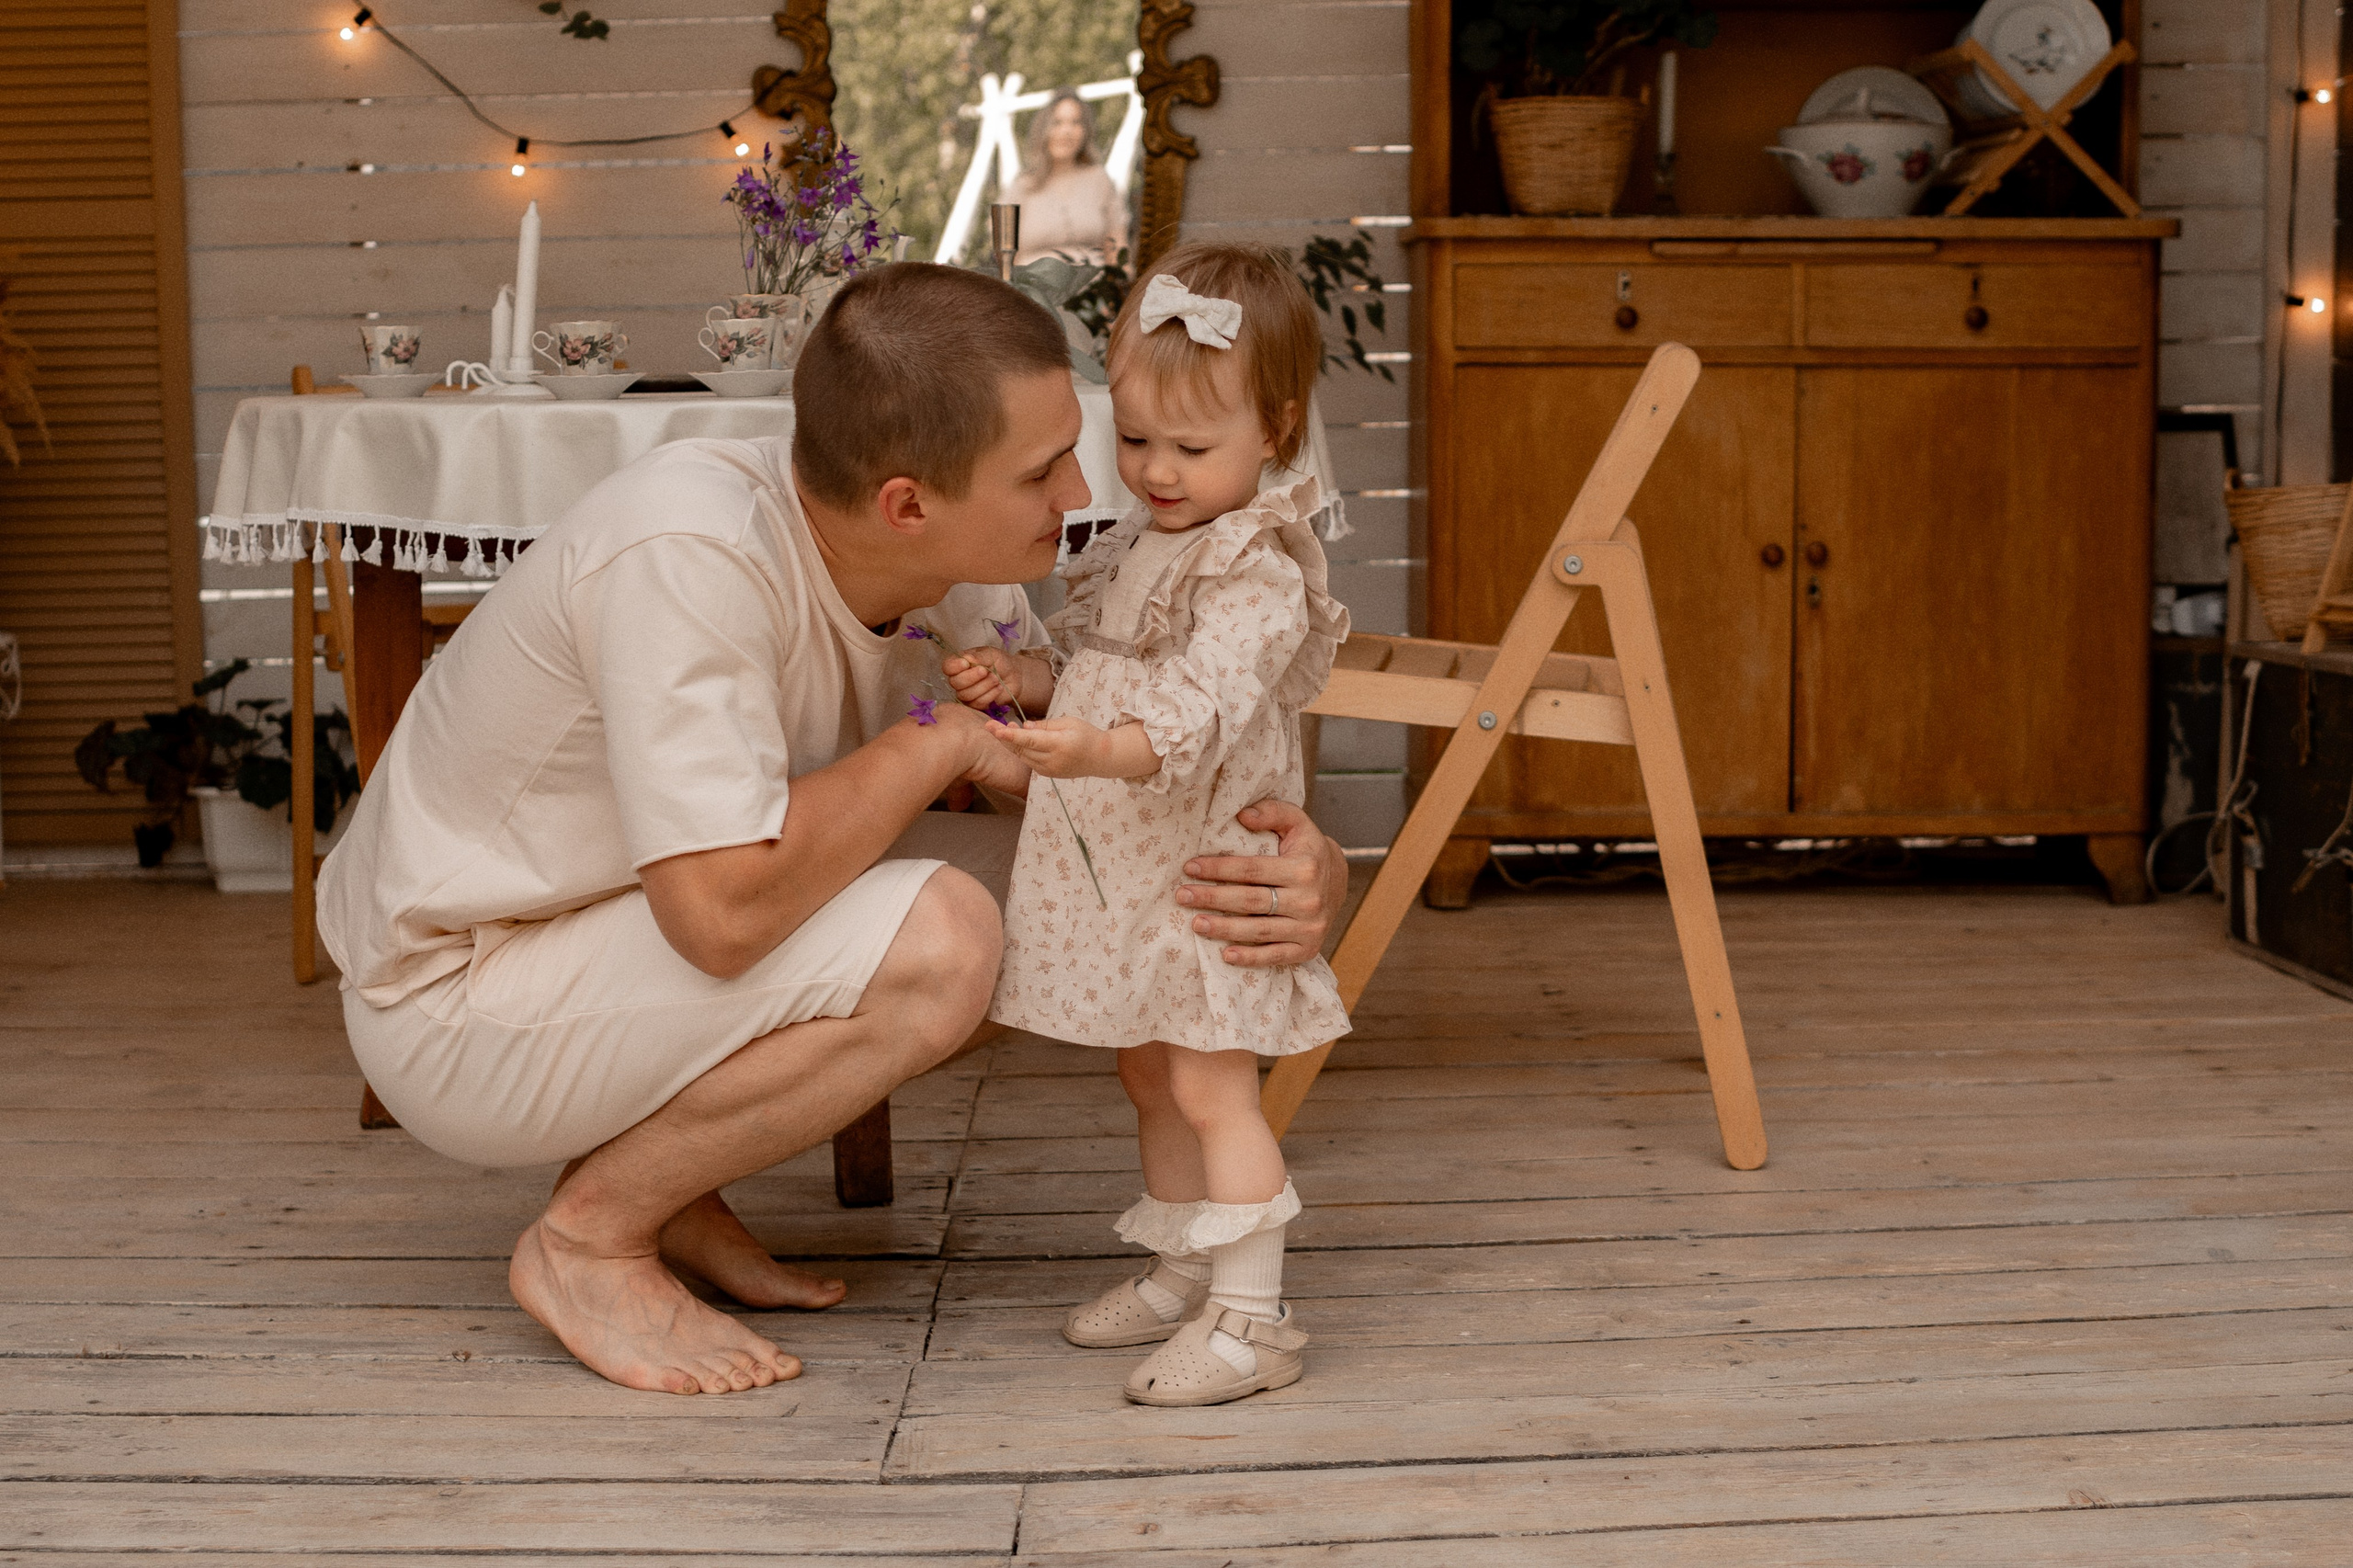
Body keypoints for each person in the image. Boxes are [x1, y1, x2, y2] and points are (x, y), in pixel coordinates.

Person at [313, 262, 1350, 1398]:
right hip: (459, 996)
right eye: (1043, 467)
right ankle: (588, 1239)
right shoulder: (688, 556)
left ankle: (674, 1184)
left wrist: (1292, 861)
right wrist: (936, 739)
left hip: (606, 933)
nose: (1082, 490)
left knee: (1082, 888)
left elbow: (1087, 805)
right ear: (907, 500)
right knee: (949, 934)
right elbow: (717, 918)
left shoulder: (951, 556)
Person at [941, 243, 1345, 1407]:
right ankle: (1182, 1261)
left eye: (1190, 446)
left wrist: (1091, 750)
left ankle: (1255, 1315)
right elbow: (1098, 661)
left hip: (1202, 863)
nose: (1156, 470)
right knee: (1149, 1073)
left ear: (1272, 428)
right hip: (1130, 868)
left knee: (1215, 1083)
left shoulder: (1254, 566)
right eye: (1134, 440)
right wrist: (1020, 676)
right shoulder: (1141, 543)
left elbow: (1192, 707)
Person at [1008, 90, 1129, 267]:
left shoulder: (1099, 180)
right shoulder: (1023, 186)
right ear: (1044, 130)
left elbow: (1118, 254)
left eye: (1075, 122)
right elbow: (1008, 259)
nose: (1066, 131)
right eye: (1057, 123)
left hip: (1092, 289)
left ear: (1085, 131)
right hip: (1032, 290)